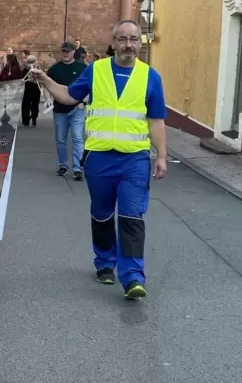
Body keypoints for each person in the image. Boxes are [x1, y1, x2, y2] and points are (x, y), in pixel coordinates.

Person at [30, 20, 168, 300]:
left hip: (135, 161)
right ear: (113, 41)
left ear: (140, 43)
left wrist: (162, 156)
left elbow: (156, 120)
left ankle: (132, 278)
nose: (128, 45)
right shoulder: (96, 70)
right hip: (99, 158)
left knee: (132, 216)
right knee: (102, 214)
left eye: (133, 39)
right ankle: (105, 263)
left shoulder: (150, 76)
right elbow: (69, 96)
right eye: (123, 39)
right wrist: (44, 79)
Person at [44, 42, 88, 179]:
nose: (65, 53)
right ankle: (63, 165)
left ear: (74, 52)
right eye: (63, 51)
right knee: (60, 140)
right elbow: (46, 85)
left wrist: (83, 102)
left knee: (77, 137)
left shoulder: (82, 67)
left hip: (77, 109)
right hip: (60, 109)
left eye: (68, 51)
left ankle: (77, 168)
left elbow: (90, 85)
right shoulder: (55, 69)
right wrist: (48, 98)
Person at [21, 55, 41, 127]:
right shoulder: (37, 68)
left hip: (27, 88)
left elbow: (22, 79)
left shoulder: (25, 69)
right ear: (35, 61)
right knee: (35, 104)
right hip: (35, 88)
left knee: (26, 104)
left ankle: (26, 121)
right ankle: (34, 118)